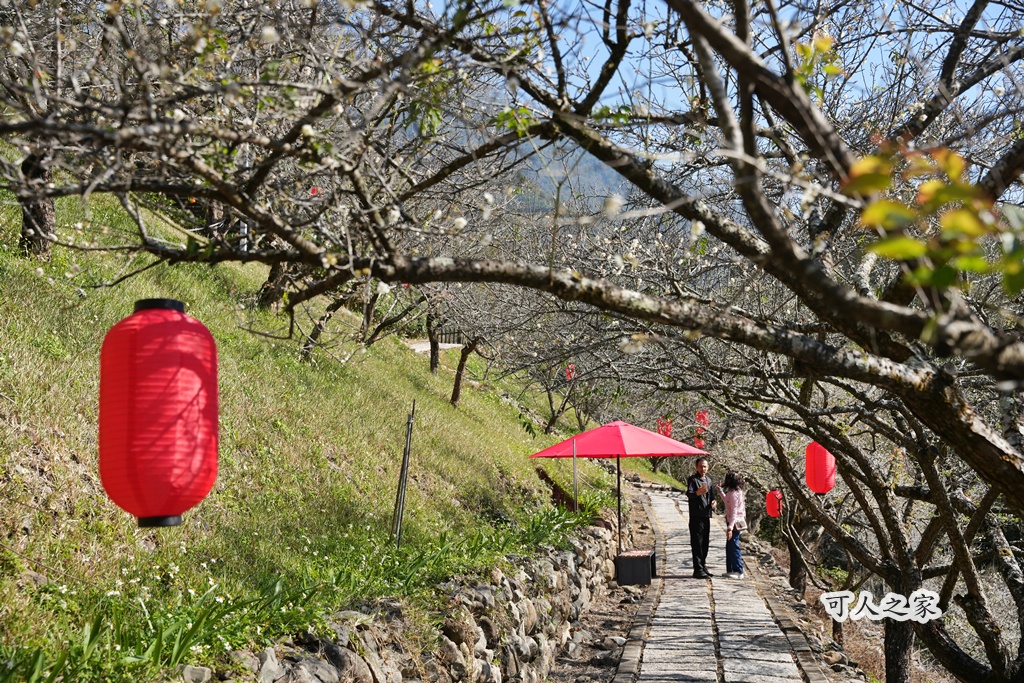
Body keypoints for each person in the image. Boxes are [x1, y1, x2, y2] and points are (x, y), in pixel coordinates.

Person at [685, 457, 716, 578]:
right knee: (697, 542)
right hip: (696, 515)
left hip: (706, 515)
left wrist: (714, 503)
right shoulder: (693, 480)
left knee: (705, 543)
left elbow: (712, 496)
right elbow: (690, 494)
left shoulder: (709, 480)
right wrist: (698, 492)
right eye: (701, 466)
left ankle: (703, 565)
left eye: (705, 466)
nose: (703, 469)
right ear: (696, 467)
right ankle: (697, 569)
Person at [719, 471, 747, 579]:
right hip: (733, 521)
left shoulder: (735, 493)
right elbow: (727, 501)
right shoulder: (735, 492)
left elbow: (734, 511)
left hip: (734, 523)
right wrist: (721, 491)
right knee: (729, 546)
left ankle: (738, 571)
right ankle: (730, 570)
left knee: (734, 546)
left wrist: (730, 528)